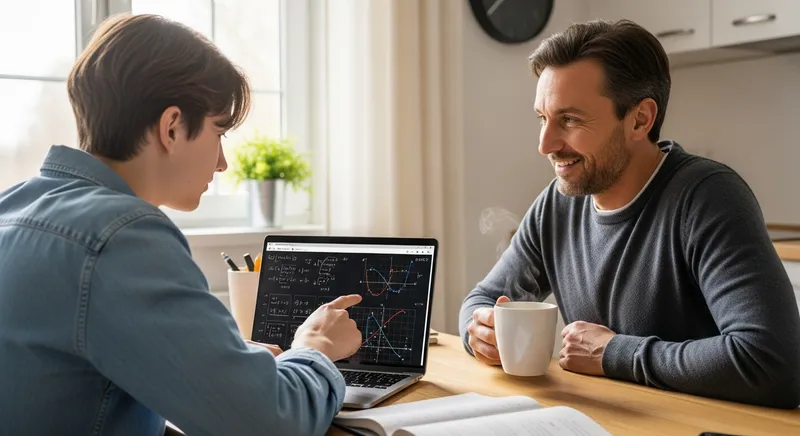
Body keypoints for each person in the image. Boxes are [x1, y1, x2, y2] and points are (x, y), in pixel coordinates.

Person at [0, 13, 363, 436]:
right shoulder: (123, 236)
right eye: (219, 132)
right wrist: (314, 347)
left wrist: (219, 358)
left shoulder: (13, 207)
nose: (223, 162)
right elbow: (270, 423)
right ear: (171, 127)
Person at [459, 19, 800, 409]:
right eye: (543, 118)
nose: (545, 144)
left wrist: (615, 353)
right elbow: (483, 298)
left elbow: (774, 364)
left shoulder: (707, 197)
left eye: (569, 120)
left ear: (640, 119)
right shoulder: (557, 203)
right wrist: (480, 331)